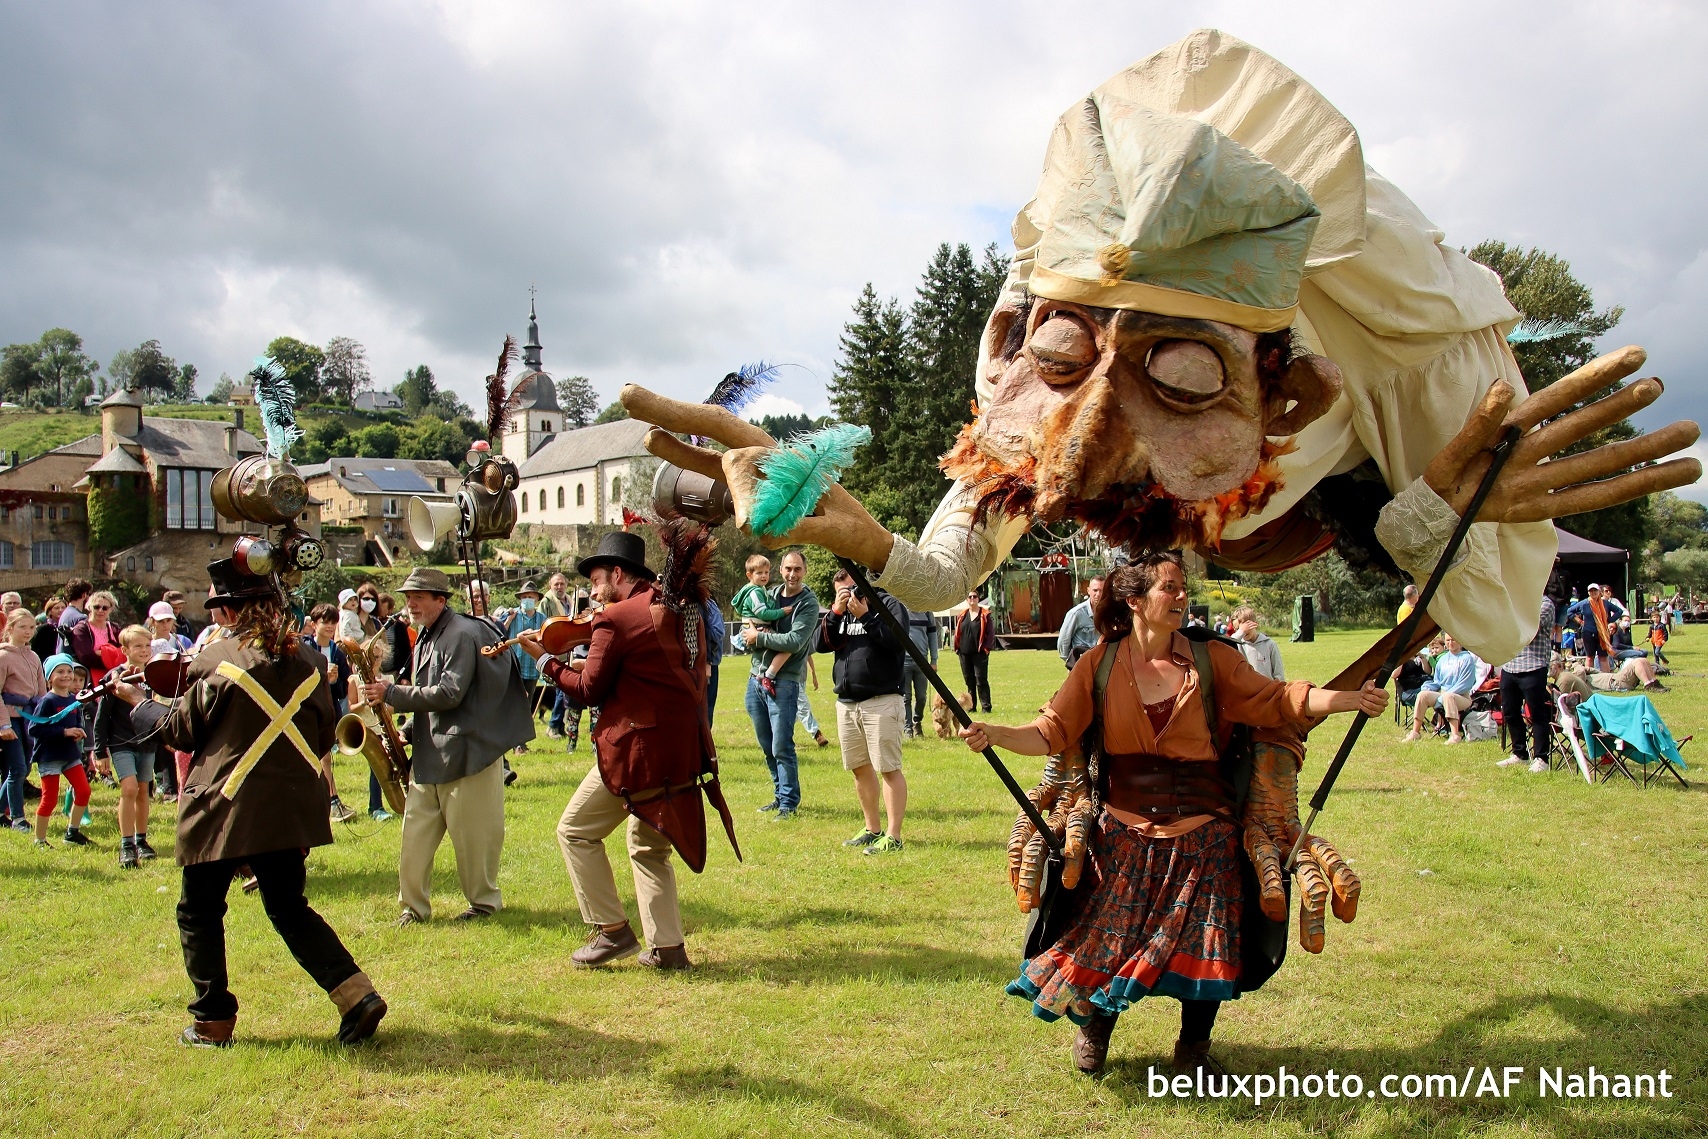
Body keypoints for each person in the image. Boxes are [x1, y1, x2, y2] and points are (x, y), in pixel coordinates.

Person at [957, 553, 1386, 1074]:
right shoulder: (1099, 664)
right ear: (1135, 601)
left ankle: (1194, 1051)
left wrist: (1347, 701)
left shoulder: (1214, 661)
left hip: (1204, 834)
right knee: (1106, 940)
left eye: (1183, 588)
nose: (1182, 597)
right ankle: (1093, 1033)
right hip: (1122, 834)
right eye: (1170, 588)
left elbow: (1277, 701)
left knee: (1208, 943)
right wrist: (994, 735)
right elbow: (1051, 731)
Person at [113, 559, 386, 1048]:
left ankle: (211, 1021)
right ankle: (356, 996)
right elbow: (325, 731)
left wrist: (138, 702)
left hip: (226, 804)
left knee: (198, 910)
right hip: (289, 804)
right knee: (288, 906)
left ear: (229, 611)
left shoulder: (217, 656)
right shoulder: (308, 659)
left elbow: (181, 730)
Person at [520, 529, 737, 970]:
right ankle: (668, 949)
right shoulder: (676, 605)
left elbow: (586, 690)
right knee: (646, 846)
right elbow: (651, 671)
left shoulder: (615, 619)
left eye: (598, 579)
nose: (595, 590)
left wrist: (545, 661)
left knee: (575, 831)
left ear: (618, 574)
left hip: (636, 754)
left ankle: (611, 931)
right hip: (681, 749)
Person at [362, 567, 533, 925]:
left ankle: (484, 905)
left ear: (440, 600)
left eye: (418, 597)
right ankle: (413, 908)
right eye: (408, 597)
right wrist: (406, 731)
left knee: (474, 842)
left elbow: (450, 693)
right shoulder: (428, 633)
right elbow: (434, 698)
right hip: (432, 754)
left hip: (467, 754)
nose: (410, 604)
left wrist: (391, 693)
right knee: (414, 840)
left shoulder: (459, 634)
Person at [818, 568, 909, 855]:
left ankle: (893, 836)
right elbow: (819, 644)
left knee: (888, 768)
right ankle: (872, 829)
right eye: (843, 591)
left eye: (853, 588)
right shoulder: (840, 611)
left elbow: (898, 642)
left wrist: (866, 616)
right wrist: (835, 610)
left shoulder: (888, 603)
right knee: (859, 768)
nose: (850, 595)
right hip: (847, 702)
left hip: (881, 699)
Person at [743, 549, 820, 821]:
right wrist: (747, 635)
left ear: (804, 571)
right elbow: (751, 621)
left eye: (797, 569)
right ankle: (779, 796)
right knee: (766, 744)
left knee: (781, 745)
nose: (792, 574)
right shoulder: (771, 594)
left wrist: (758, 637)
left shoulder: (808, 603)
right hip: (755, 678)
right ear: (781, 570)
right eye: (788, 569)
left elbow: (794, 641)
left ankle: (789, 803)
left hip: (784, 683)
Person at [94, 625, 158, 867]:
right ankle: (126, 843)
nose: (144, 650)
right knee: (129, 788)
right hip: (121, 742)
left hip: (147, 744)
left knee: (143, 791)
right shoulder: (115, 677)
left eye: (147, 645)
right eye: (138, 646)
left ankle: (142, 840)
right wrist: (100, 751)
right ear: (125, 650)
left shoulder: (154, 675)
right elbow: (102, 717)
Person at [26, 655, 91, 847]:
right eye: (60, 672)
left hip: (70, 755)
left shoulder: (74, 700)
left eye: (69, 671)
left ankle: (72, 832)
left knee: (84, 791)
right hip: (50, 757)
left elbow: (77, 721)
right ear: (49, 678)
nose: (66, 675)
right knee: (50, 799)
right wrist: (63, 732)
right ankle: (39, 840)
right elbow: (34, 729)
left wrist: (78, 732)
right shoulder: (47, 701)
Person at [306, 604, 358, 822]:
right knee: (321, 757)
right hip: (308, 710)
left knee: (325, 756)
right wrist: (320, 676)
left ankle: (331, 801)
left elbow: (341, 691)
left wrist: (334, 682)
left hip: (328, 711)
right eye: (325, 622)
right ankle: (329, 800)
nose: (329, 626)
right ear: (314, 624)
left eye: (332, 622)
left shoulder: (337, 652)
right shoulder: (305, 648)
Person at [1495, 596, 1555, 774]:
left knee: (1537, 714)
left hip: (1534, 665)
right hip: (1510, 665)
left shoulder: (1545, 604)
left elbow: (1528, 629)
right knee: (1510, 712)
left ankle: (1541, 758)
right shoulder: (1511, 600)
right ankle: (1519, 754)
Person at [0, 607, 46, 831]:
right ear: (10, 628)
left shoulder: (33, 656)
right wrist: (3, 724)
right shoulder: (3, 656)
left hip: (30, 718)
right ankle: (18, 817)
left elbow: (40, 692)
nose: (28, 632)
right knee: (17, 768)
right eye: (22, 627)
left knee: (24, 768)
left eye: (31, 627)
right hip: (10, 718)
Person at [732, 554, 797, 697]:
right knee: (789, 646)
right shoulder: (754, 592)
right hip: (755, 628)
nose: (764, 576)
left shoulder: (760, 590)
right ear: (749, 575)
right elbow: (763, 613)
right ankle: (767, 677)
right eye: (759, 573)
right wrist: (781, 612)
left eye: (766, 572)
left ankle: (765, 675)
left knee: (780, 648)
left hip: (755, 628)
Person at [1404, 635, 1482, 745]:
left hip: (1462, 696)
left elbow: (1465, 684)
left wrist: (1446, 694)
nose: (1450, 643)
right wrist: (1427, 687)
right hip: (1443, 693)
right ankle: (1415, 732)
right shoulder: (1443, 659)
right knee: (1423, 695)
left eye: (1453, 640)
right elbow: (1437, 682)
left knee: (1448, 696)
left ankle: (1455, 735)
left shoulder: (1467, 659)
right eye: (1448, 640)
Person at [498, 581, 547, 753]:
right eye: (524, 597)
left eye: (530, 597)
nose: (527, 599)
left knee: (526, 706)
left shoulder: (542, 619)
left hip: (532, 668)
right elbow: (499, 634)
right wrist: (509, 619)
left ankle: (520, 743)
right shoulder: (512, 615)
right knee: (513, 705)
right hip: (514, 667)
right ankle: (511, 742)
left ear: (536, 599)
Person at [1566, 584, 1625, 673]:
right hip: (1588, 633)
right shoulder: (1584, 603)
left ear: (1599, 592)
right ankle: (1589, 679)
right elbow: (1569, 611)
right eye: (1591, 591)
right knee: (1590, 657)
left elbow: (1619, 611)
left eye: (1595, 591)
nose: (1593, 593)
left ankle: (1606, 680)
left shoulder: (1605, 603)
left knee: (1603, 657)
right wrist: (1579, 621)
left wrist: (1609, 620)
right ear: (1588, 592)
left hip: (1602, 634)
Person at [953, 590, 994, 713]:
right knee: (969, 681)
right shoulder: (962, 615)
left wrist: (986, 649)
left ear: (978, 598)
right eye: (969, 597)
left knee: (981, 680)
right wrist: (957, 648)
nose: (972, 599)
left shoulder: (985, 615)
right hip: (964, 653)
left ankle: (986, 707)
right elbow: (957, 632)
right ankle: (971, 706)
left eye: (974, 597)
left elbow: (991, 633)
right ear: (967, 599)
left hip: (979, 654)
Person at [902, 603, 940, 738]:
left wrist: (934, 660)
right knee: (906, 697)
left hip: (922, 661)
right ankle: (908, 728)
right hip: (903, 660)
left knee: (922, 697)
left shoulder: (927, 611)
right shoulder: (900, 608)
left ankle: (917, 721)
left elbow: (933, 637)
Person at [1057, 576, 1105, 671]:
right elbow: (1063, 641)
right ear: (1088, 590)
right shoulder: (1076, 613)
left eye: (1102, 590)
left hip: (1100, 665)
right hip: (1080, 665)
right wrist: (1072, 663)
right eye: (1095, 590)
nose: (1098, 594)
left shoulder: (1108, 613)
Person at [1227, 606, 1284, 682]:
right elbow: (1226, 645)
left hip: (1267, 690)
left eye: (1246, 626)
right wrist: (1240, 632)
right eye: (1238, 629)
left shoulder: (1270, 645)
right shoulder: (1236, 645)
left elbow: (1279, 675)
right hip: (1246, 691)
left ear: (1255, 624)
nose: (1244, 631)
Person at [703, 598, 725, 726]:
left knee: (705, 711)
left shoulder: (707, 604)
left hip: (707, 666)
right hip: (683, 667)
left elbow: (718, 632)